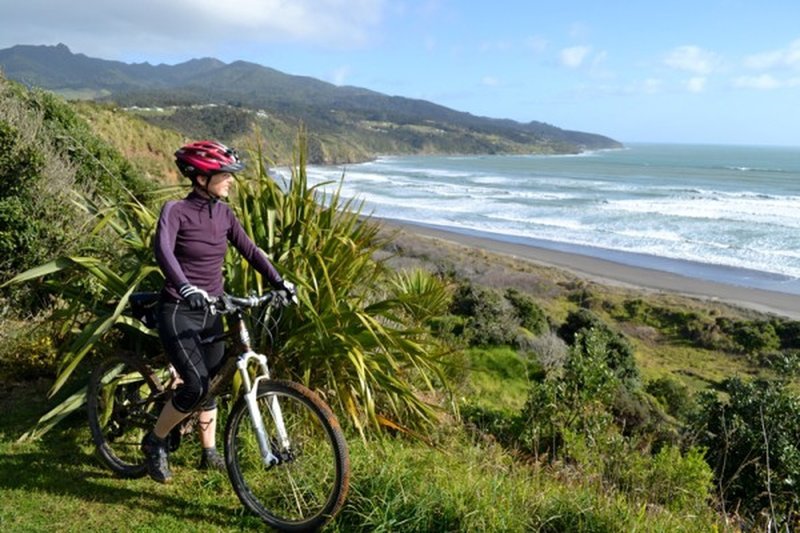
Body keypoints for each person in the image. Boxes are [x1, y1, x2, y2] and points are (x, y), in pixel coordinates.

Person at [141, 140, 294, 484]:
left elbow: (250, 251)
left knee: (211, 384)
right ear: (201, 177)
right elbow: (163, 251)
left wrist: (280, 282)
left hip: (212, 308)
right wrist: (184, 287)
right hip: (179, 309)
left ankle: (208, 453)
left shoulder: (224, 214)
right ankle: (154, 441)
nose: (230, 181)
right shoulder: (175, 210)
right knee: (195, 384)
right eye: (224, 174)